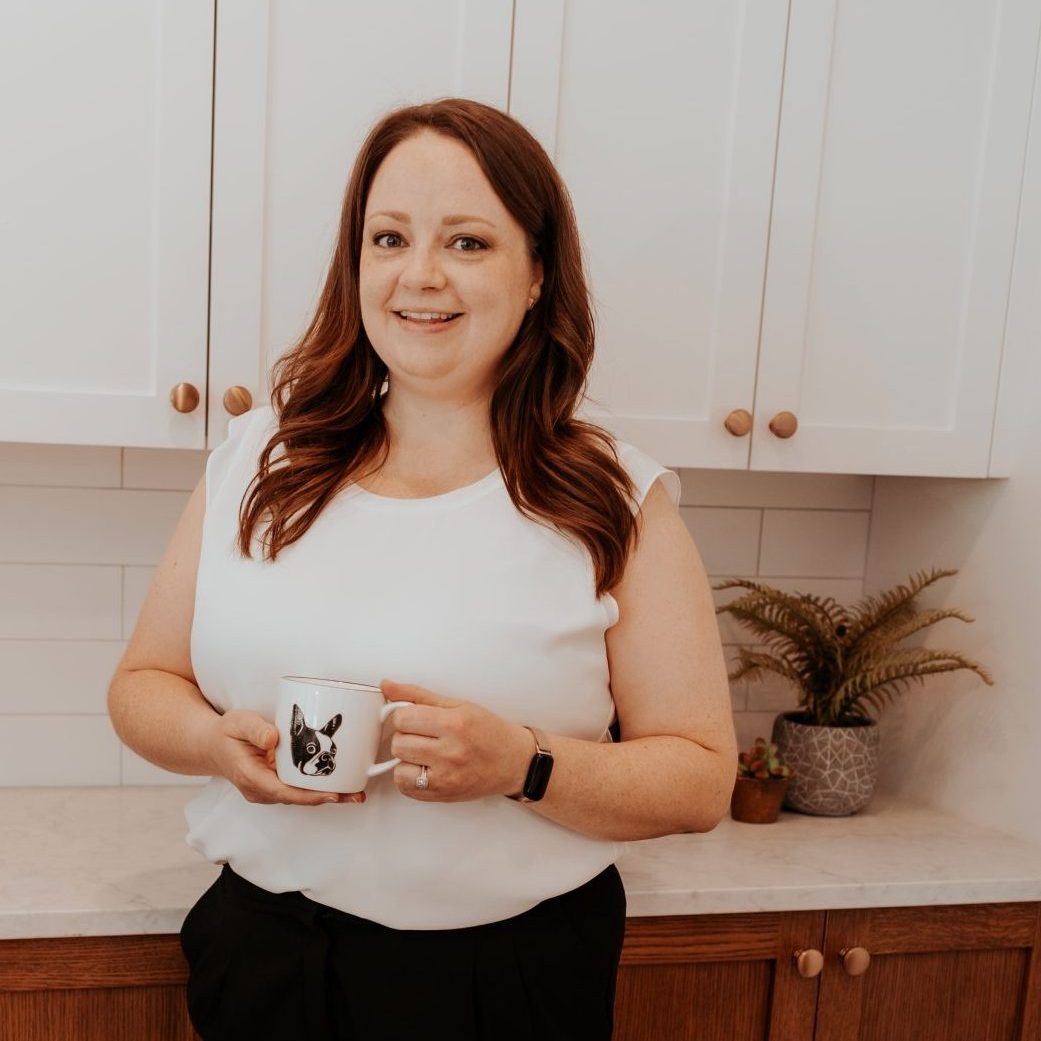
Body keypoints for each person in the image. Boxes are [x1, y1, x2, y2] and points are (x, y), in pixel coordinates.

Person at [107, 97, 737, 1041]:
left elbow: (698, 780)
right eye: (389, 237)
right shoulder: (258, 460)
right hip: (266, 957)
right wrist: (214, 747)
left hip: (509, 981)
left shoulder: (611, 499)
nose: (420, 275)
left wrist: (522, 763)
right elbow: (142, 683)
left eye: (469, 242)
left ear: (536, 276)